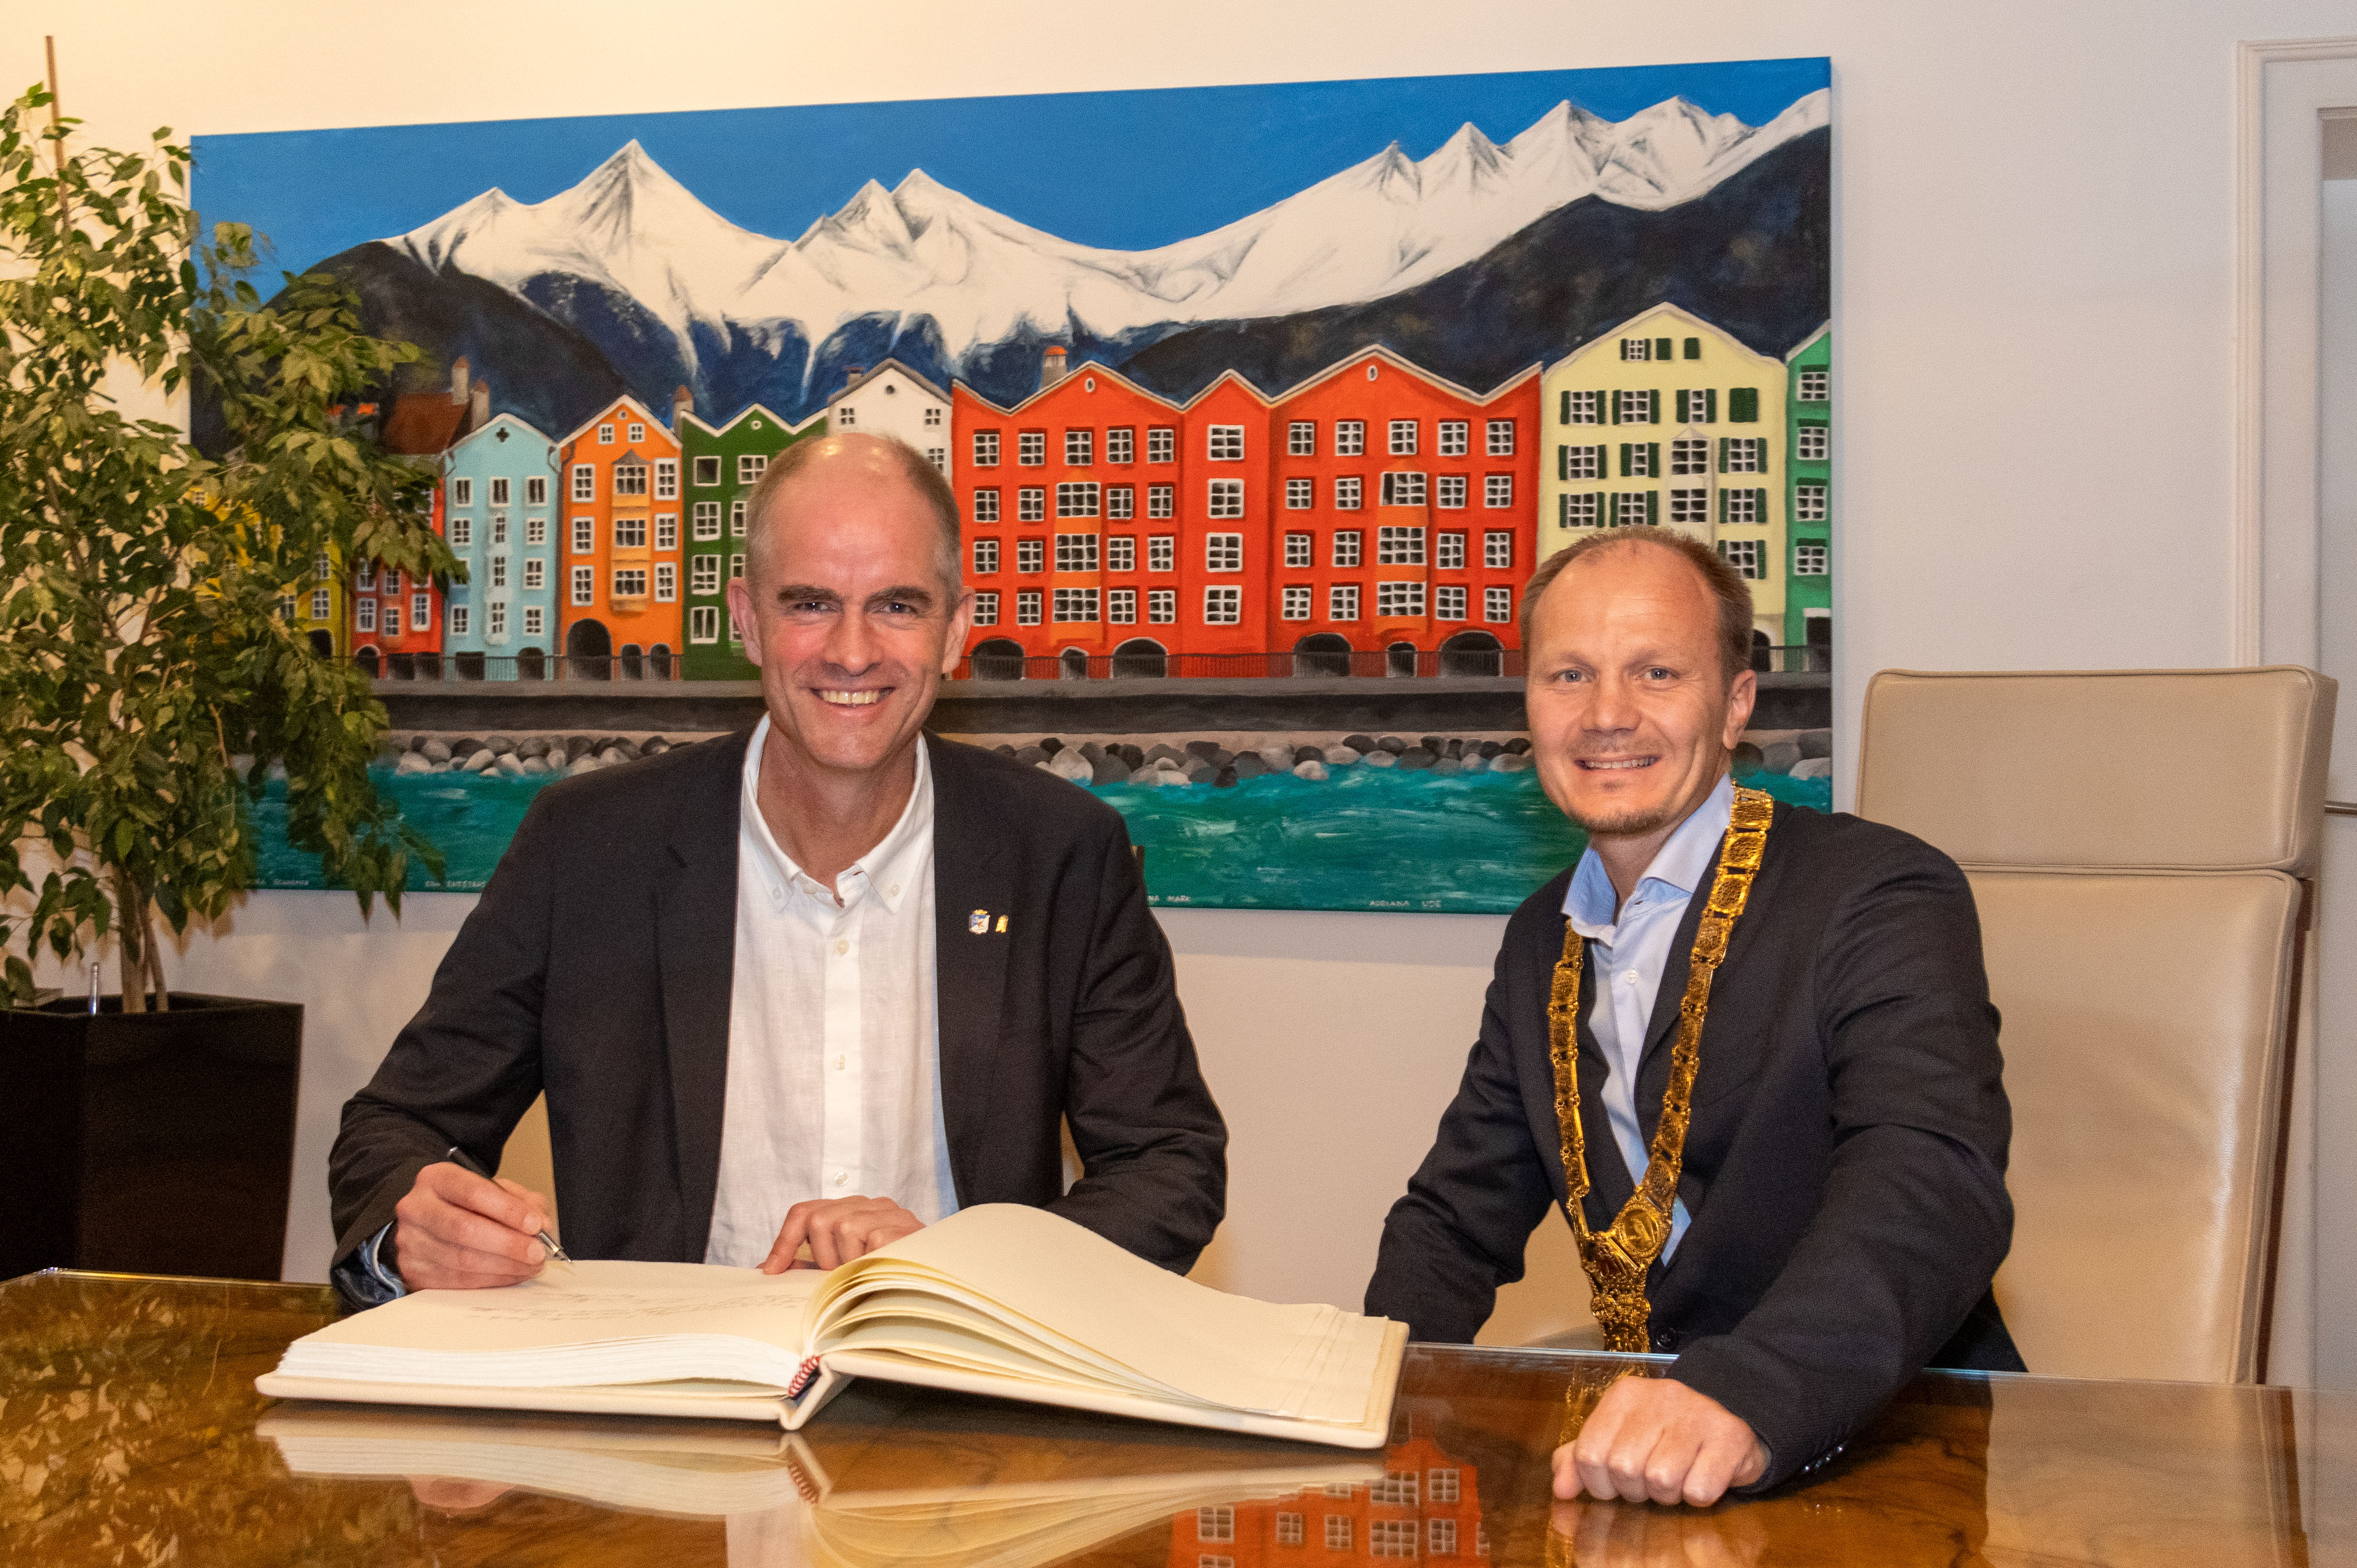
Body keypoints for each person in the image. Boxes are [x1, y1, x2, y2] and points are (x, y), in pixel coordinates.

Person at [328, 433, 1225, 1302]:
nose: (851, 651)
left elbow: (1169, 1162)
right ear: (748, 622)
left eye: (898, 605)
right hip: (657, 1397)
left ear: (955, 631)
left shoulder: (1062, 851)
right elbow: (397, 1128)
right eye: (810, 603)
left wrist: (970, 1270)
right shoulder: (590, 845)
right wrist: (415, 1229)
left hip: (962, 1401)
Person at [1364, 530, 2019, 1505]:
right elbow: (1456, 1218)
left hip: (1885, 1443)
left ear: (1735, 704)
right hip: (1650, 1462)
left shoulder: (1878, 891)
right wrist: (1357, 1380)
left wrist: (1744, 1396)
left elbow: (1929, 1183)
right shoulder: (1542, 932)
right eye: (1567, 675)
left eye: (1656, 672)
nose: (1605, 716)